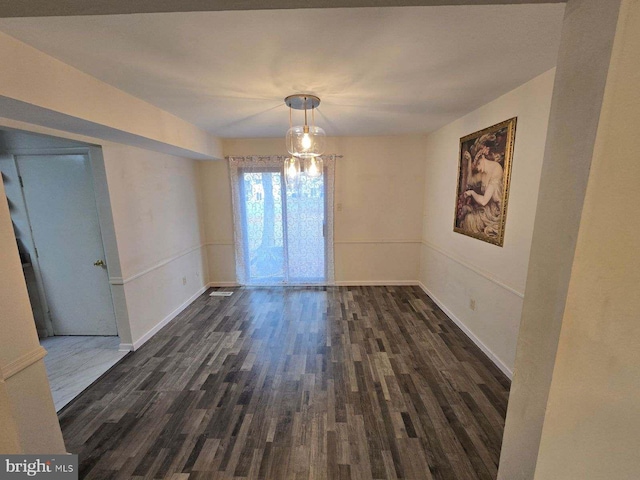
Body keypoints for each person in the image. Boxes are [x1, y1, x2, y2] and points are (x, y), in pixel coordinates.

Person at [458, 135, 504, 238]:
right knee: (467, 215)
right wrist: (469, 161)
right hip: (486, 209)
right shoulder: (483, 172)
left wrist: (472, 193)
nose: (477, 168)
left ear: (482, 158)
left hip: (494, 212)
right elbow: (470, 181)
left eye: (477, 163)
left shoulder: (496, 170)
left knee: (469, 219)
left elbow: (483, 201)